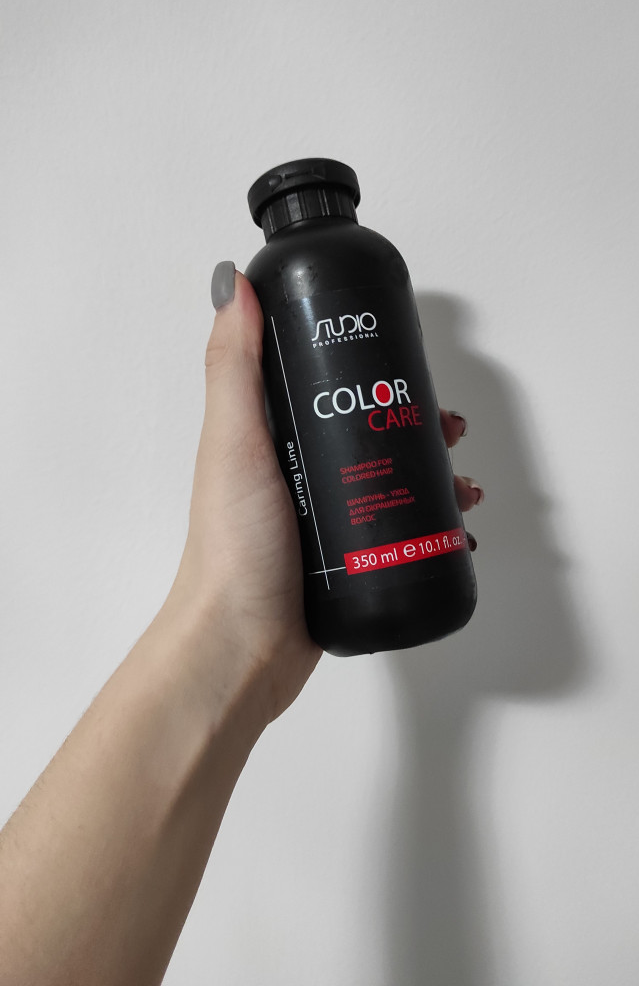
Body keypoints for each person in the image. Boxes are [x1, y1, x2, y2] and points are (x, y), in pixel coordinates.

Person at [0, 265, 483, 986]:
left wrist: (239, 640)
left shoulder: (362, 264)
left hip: (372, 570)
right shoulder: (289, 281)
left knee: (391, 408)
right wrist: (234, 625)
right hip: (334, 578)